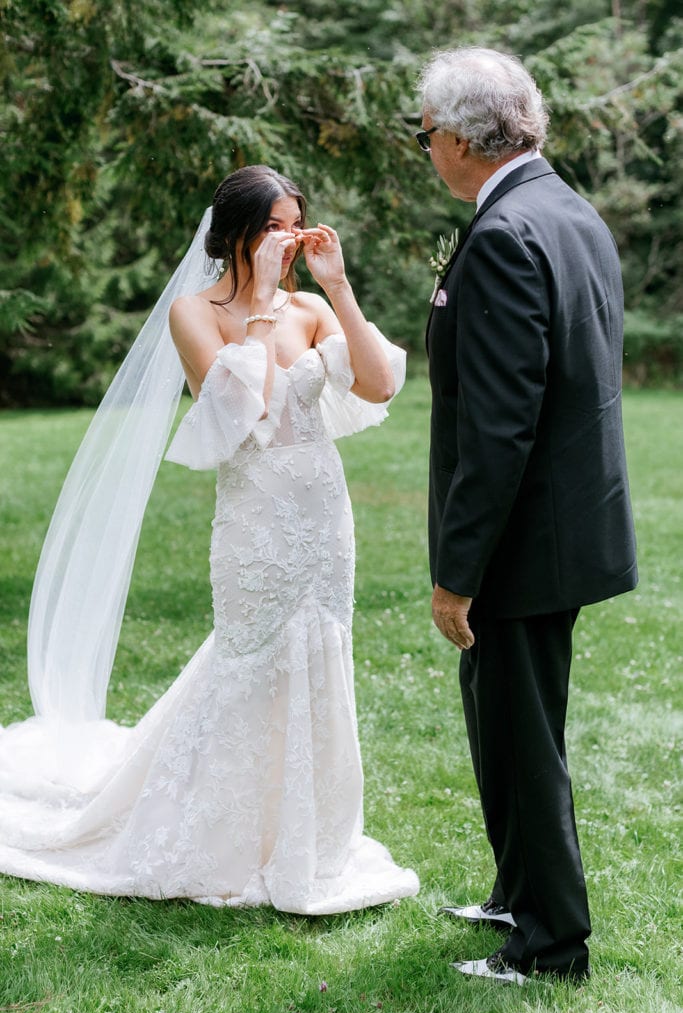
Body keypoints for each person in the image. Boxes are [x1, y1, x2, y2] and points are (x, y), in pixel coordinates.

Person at [0, 165, 419, 914]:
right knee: (249, 656)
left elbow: (380, 383)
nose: (286, 240)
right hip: (254, 518)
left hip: (323, 516)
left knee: (321, 654)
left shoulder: (310, 307)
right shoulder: (195, 312)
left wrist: (340, 288)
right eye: (272, 227)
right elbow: (237, 413)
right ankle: (222, 834)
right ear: (234, 237)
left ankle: (312, 837)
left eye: (294, 223)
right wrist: (256, 307)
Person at [417, 48, 637, 983]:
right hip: (562, 524)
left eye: (422, 133)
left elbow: (501, 424)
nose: (423, 149)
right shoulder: (565, 209)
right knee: (498, 721)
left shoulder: (507, 233)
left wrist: (457, 571)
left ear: (463, 138)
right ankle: (518, 891)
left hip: (521, 540)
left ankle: (550, 947)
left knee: (522, 736)